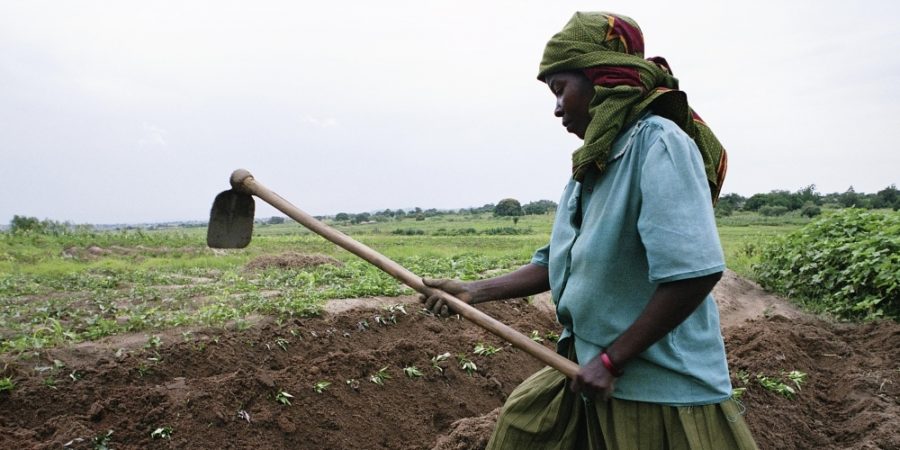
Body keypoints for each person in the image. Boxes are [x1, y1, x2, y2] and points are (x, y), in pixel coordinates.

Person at [419, 11, 758, 450]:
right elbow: (557, 261)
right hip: (583, 364)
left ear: (603, 78)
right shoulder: (594, 163)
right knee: (523, 427)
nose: (557, 107)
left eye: (560, 89)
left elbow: (694, 271)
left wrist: (613, 361)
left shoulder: (659, 143)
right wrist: (472, 291)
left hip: (654, 384)